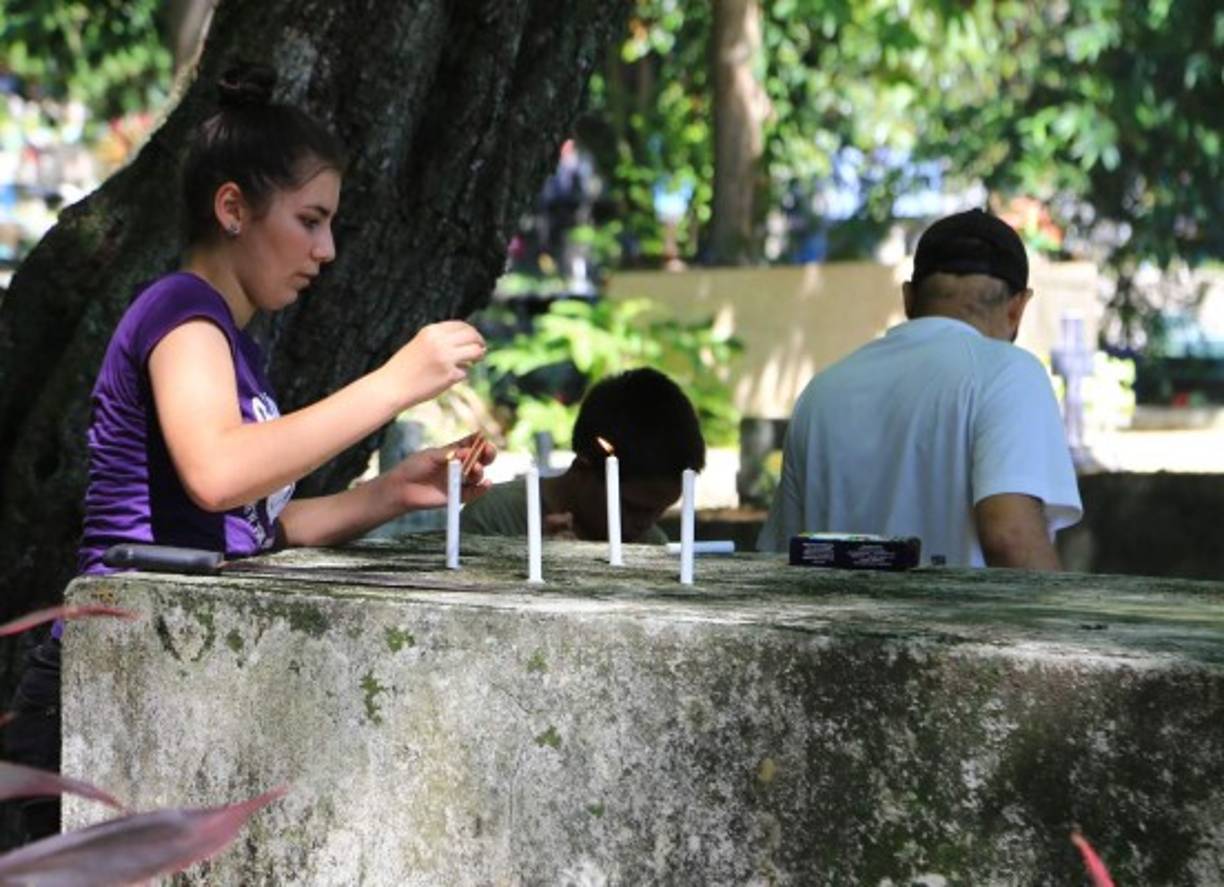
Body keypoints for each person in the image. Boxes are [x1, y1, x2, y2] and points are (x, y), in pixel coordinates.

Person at [3, 63, 494, 842]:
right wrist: (394, 383)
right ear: (232, 207)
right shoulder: (181, 311)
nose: (326, 249)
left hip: (167, 676)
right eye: (310, 219)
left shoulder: (232, 346)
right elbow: (219, 473)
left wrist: (393, 492)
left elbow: (250, 526)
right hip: (105, 687)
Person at [757, 209, 1082, 569]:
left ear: (909, 298)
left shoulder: (821, 392)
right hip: (959, 610)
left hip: (832, 609)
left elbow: (784, 555)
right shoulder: (1009, 372)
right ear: (1016, 309)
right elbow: (1011, 538)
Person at [462, 368, 705, 544]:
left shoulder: (650, 544)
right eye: (633, 508)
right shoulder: (494, 519)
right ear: (583, 468)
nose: (645, 524)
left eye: (659, 511)